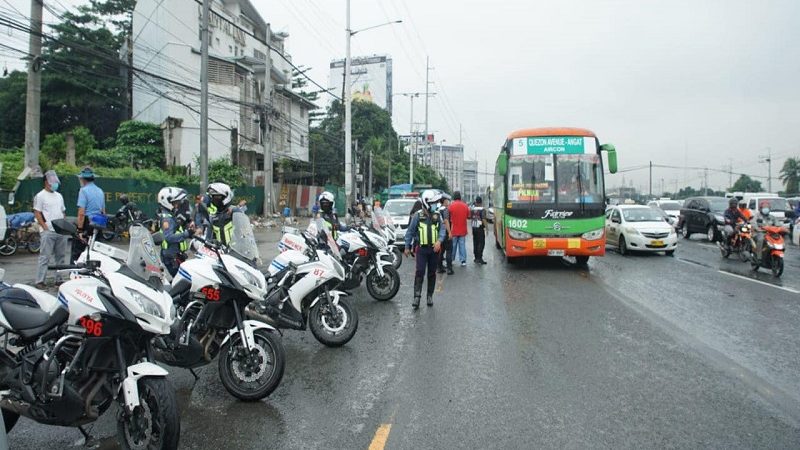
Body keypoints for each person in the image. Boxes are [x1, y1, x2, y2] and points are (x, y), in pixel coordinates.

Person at [404, 189, 446, 308]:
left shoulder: (437, 216)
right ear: (426, 203)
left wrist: (439, 241)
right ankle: (417, 297)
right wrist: (407, 246)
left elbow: (442, 231)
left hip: (434, 250)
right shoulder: (418, 216)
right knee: (420, 271)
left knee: (432, 273)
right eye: (433, 202)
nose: (435, 205)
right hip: (421, 249)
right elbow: (410, 232)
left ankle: (429, 296)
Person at [33, 170, 67, 289]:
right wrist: (45, 227)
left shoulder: (59, 196)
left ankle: (59, 280)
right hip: (48, 231)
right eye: (51, 182)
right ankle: (40, 281)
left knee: (60, 257)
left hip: (60, 231)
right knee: (45, 257)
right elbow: (37, 212)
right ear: (46, 182)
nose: (54, 184)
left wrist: (63, 225)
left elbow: (63, 212)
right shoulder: (40, 196)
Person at [72, 167, 105, 263]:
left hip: (88, 223)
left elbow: (81, 213)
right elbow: (103, 211)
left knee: (78, 251)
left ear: (82, 179)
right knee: (95, 251)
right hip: (99, 222)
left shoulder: (83, 191)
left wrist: (80, 230)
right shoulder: (100, 191)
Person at [157, 187, 192, 277]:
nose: (177, 205)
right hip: (171, 257)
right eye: (175, 202)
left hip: (175, 255)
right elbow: (169, 237)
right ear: (167, 201)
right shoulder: (167, 218)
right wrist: (187, 234)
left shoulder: (170, 214)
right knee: (182, 282)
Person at [448, 191, 470, 267]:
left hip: (453, 229)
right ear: (460, 197)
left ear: (454, 197)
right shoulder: (465, 206)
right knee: (462, 245)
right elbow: (468, 216)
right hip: (462, 229)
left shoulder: (451, 206)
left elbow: (448, 217)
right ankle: (463, 260)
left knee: (453, 246)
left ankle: (451, 259)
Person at [437, 195, 454, 275]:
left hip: (439, 233)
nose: (448, 202)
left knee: (441, 251)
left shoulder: (437, 210)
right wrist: (449, 232)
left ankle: (439, 267)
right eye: (447, 201)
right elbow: (446, 221)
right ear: (444, 202)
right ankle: (449, 268)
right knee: (449, 250)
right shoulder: (445, 210)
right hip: (446, 232)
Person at [470, 196, 489, 265]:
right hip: (480, 228)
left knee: (475, 242)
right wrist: (487, 228)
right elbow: (483, 219)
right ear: (481, 202)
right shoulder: (482, 210)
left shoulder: (472, 209)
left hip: (474, 228)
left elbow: (470, 217)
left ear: (476, 202)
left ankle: (476, 258)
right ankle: (480, 258)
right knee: (481, 243)